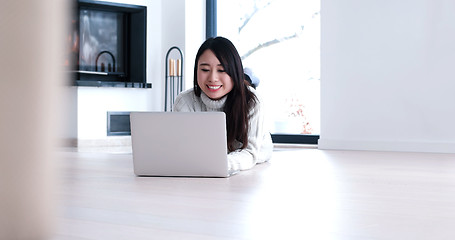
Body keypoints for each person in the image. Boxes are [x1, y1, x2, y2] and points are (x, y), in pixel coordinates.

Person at [173, 36, 273, 172]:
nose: (212, 78)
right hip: (207, 164)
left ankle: (246, 79)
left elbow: (250, 153)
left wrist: (215, 164)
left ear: (234, 71)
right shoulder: (184, 101)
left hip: (255, 159)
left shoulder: (252, 101)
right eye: (205, 70)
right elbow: (182, 150)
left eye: (222, 70)